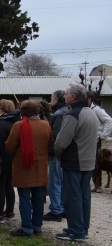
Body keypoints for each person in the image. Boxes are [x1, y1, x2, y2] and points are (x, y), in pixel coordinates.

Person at [54, 84, 98, 241]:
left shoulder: (73, 114)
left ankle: (76, 231)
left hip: (74, 162)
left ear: (73, 97)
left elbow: (61, 142)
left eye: (66, 94)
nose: (64, 97)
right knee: (84, 196)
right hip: (88, 161)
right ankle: (82, 228)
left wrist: (57, 153)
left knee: (73, 196)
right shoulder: (90, 112)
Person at [5, 101, 53, 236]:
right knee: (38, 198)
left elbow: (10, 147)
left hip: (24, 166)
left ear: (22, 111)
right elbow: (50, 143)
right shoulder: (46, 125)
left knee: (25, 198)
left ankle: (27, 227)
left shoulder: (19, 125)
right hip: (41, 166)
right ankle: (37, 226)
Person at [0, 99, 20, 223]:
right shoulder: (16, 122)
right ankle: (9, 211)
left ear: (2, 110)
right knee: (8, 186)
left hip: (2, 159)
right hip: (12, 158)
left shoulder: (2, 124)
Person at [44, 90, 69, 221]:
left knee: (54, 182)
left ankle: (56, 209)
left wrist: (52, 152)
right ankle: (62, 207)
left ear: (56, 100)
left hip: (57, 154)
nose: (51, 101)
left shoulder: (59, 114)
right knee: (62, 182)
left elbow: (56, 136)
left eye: (51, 99)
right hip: (65, 154)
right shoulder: (67, 111)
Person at [85, 90, 112, 192]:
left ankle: (98, 185)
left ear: (89, 99)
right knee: (91, 163)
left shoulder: (96, 110)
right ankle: (95, 184)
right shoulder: (86, 109)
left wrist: (103, 135)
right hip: (88, 141)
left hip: (95, 140)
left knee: (97, 163)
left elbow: (109, 120)